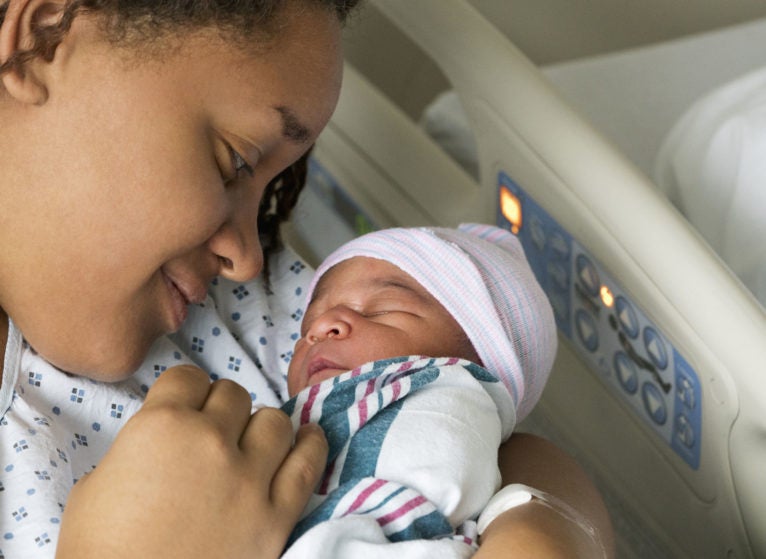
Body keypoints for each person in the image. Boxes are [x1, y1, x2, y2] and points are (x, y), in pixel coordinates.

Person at [0, 1, 614, 558]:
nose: (244, 256)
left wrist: (543, 529)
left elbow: (487, 416)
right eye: (235, 162)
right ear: (46, 33)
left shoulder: (231, 310)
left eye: (267, 187)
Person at [280, 224, 611, 558]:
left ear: (477, 366)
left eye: (383, 310)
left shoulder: (445, 409)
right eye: (308, 328)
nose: (321, 328)